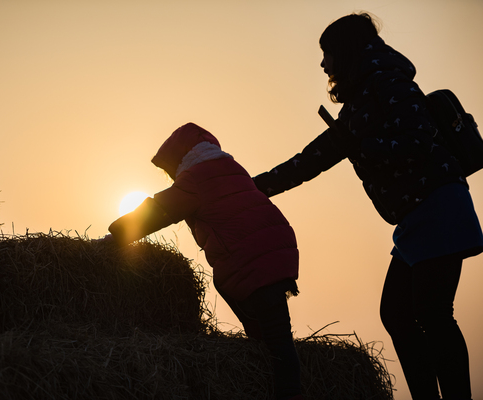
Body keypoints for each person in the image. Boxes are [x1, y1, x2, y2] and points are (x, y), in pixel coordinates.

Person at [252, 12, 483, 400]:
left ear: (346, 51)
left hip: (438, 205)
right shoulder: (359, 105)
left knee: (432, 313)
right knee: (398, 313)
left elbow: (417, 140)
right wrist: (250, 188)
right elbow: (311, 161)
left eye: (327, 53)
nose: (323, 64)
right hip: (416, 218)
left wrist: (359, 147)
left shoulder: (390, 83)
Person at [108, 122, 304, 400]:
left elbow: (158, 210)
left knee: (277, 340)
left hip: (252, 259)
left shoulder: (195, 178)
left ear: (179, 159)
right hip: (276, 250)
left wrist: (115, 235)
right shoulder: (233, 169)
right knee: (271, 338)